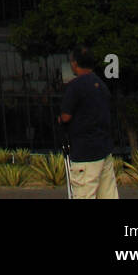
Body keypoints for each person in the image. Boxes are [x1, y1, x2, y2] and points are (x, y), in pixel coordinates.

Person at [58, 46, 119, 199]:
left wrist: (59, 120)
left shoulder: (75, 86)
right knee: (108, 193)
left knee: (84, 193)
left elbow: (65, 116)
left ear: (75, 63)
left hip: (85, 151)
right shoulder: (101, 85)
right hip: (103, 148)